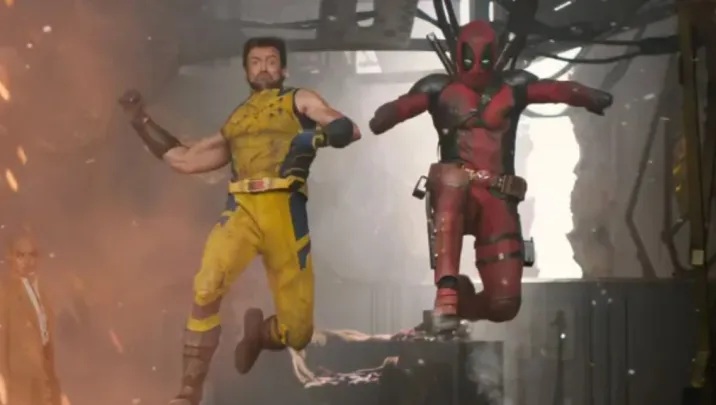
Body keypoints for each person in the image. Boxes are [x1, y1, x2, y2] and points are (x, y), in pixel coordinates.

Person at [118, 36, 362, 405]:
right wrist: (140, 121)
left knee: (297, 332)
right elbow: (184, 159)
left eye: (271, 61)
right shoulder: (237, 120)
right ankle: (190, 388)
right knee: (205, 287)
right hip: (241, 208)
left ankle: (261, 335)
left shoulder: (299, 100)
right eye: (255, 62)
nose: (263, 67)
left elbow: (347, 127)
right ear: (246, 70)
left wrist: (323, 135)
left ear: (283, 68)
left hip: (285, 209)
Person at [369, 21, 613, 333]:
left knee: (504, 304)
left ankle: (460, 304)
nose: (476, 68)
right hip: (456, 192)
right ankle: (446, 292)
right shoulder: (439, 89)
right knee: (452, 179)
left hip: (498, 197)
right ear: (459, 54)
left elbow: (553, 90)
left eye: (484, 59)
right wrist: (386, 115)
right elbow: (404, 106)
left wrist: (585, 95)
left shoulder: (513, 88)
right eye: (470, 58)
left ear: (494, 56)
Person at [0, 234, 63, 405]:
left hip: (44, 379)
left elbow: (47, 338)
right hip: (19, 382)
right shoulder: (6, 292)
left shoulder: (42, 292)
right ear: (11, 258)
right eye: (21, 255)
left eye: (32, 254)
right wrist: (2, 380)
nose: (27, 260)